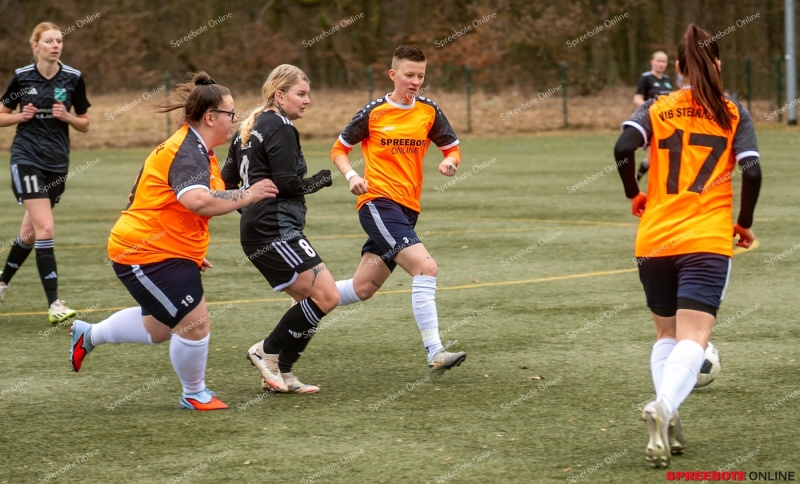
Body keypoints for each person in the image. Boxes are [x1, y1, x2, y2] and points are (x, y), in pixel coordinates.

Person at [69, 72, 278, 410]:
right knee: (194, 324)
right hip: (144, 250)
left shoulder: (199, 148)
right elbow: (197, 201)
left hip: (165, 248)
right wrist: (249, 194)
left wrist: (187, 250)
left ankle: (88, 334)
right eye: (230, 113)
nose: (235, 119)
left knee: (159, 328)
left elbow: (176, 205)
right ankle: (194, 393)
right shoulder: (188, 149)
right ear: (210, 117)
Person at [613, 25, 761, 468]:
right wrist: (744, 223)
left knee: (666, 335)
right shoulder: (732, 111)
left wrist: (633, 194)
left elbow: (623, 147)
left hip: (656, 237)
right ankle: (663, 406)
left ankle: (669, 413)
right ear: (718, 64)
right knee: (694, 336)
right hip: (706, 238)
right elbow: (752, 171)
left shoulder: (657, 106)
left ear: (677, 67)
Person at [329, 45, 467, 376]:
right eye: (409, 75)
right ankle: (435, 351)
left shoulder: (429, 112)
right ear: (393, 75)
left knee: (363, 288)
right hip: (377, 203)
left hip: (407, 210)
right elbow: (339, 149)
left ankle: (308, 298)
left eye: (420, 76)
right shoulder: (375, 112)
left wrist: (450, 162)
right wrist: (351, 176)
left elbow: (452, 148)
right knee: (426, 267)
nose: (415, 81)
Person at [222, 65, 337, 394]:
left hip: (261, 227)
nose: (307, 100)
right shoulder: (280, 126)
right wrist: (318, 180)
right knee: (326, 296)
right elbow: (287, 183)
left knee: (306, 299)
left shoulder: (248, 126)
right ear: (280, 95)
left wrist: (249, 209)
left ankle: (281, 373)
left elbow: (227, 182)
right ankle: (266, 352)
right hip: (275, 228)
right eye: (301, 94)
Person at [0, 22, 90, 323]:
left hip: (57, 164)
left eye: (59, 40)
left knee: (30, 233)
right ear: (35, 45)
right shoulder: (22, 77)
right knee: (46, 229)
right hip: (26, 159)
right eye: (49, 41)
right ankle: (54, 304)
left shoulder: (73, 78)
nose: (55, 46)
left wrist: (68, 117)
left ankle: (2, 282)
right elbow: (1, 115)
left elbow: (85, 123)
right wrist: (18, 117)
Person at [633, 51, 675, 183]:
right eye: (658, 61)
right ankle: (637, 181)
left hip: (664, 123)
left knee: (664, 157)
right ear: (652, 62)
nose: (661, 64)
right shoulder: (646, 78)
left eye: (664, 61)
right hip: (649, 122)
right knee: (652, 158)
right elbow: (637, 98)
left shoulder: (667, 80)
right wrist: (651, 109)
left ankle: (643, 181)